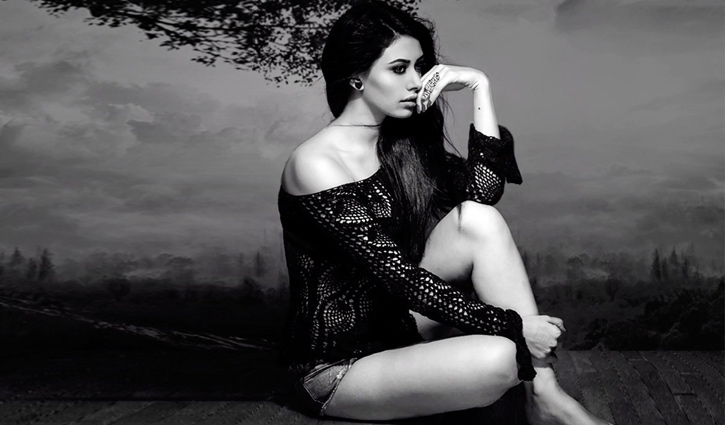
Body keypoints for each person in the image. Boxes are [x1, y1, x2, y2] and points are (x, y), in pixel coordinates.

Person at [277, 1, 612, 424]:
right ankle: (528, 377)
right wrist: (514, 327)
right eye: (399, 69)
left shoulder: (400, 143)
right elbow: (403, 280)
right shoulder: (314, 164)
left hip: (395, 327)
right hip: (338, 368)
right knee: (503, 356)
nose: (416, 81)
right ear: (357, 76)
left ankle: (543, 394)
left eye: (420, 67)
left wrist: (479, 86)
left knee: (478, 220)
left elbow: (483, 193)